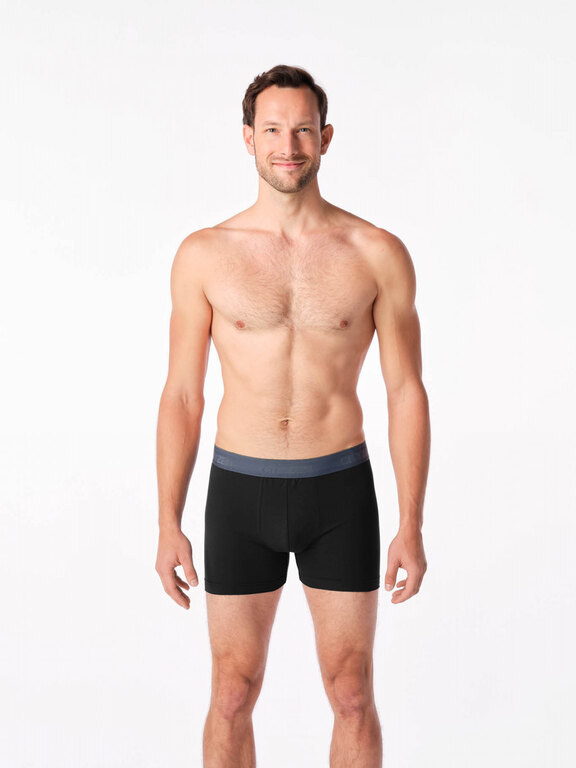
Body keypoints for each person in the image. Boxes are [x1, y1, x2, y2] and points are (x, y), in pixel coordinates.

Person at [155, 64, 430, 768]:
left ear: (325, 138)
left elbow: (405, 390)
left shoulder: (376, 252)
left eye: (303, 130)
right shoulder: (204, 255)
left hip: (339, 490)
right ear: (248, 138)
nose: (289, 145)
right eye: (273, 129)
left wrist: (411, 523)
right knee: (232, 693)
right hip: (239, 492)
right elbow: (182, 394)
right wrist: (167, 521)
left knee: (351, 693)